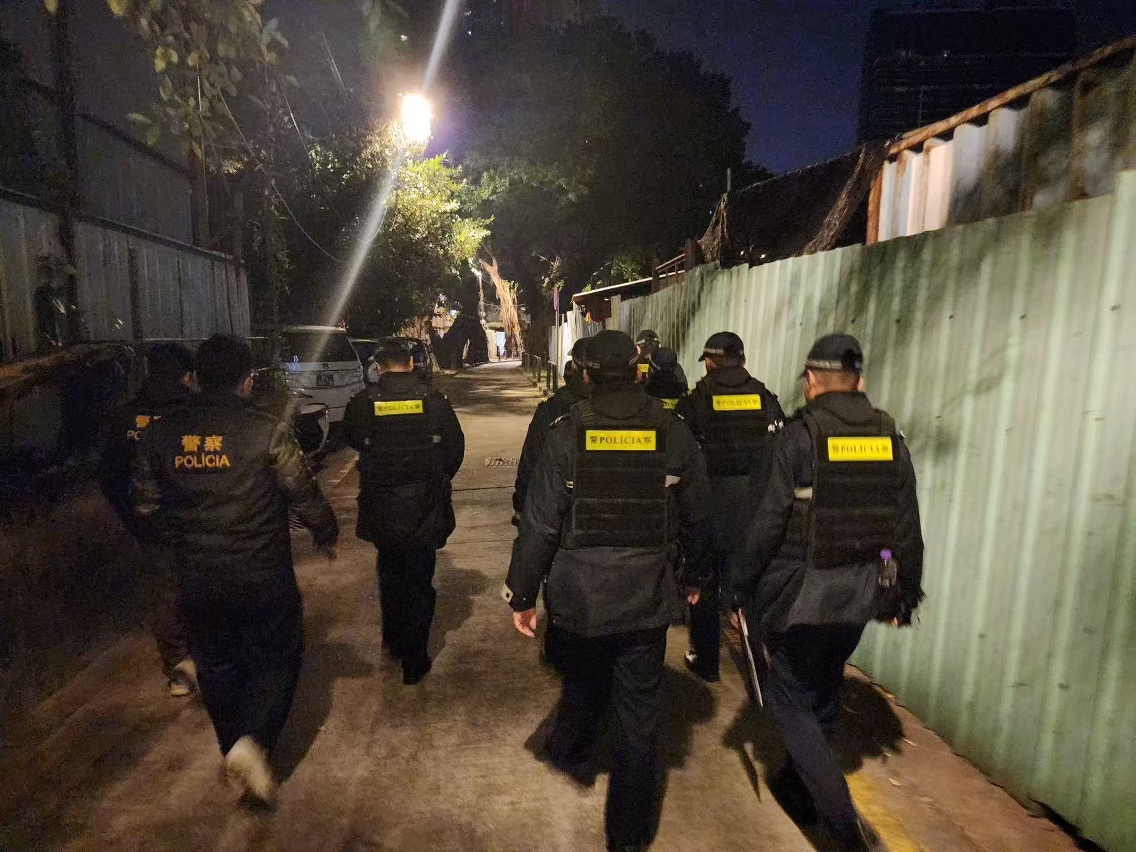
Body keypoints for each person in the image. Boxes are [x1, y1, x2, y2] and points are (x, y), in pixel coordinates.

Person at [504, 329, 712, 852]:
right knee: (638, 721)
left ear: (586, 374)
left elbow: (540, 524)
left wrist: (522, 595)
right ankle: (628, 837)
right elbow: (699, 516)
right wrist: (694, 576)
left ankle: (571, 749)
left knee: (584, 679)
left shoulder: (566, 433)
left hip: (580, 599)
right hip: (646, 597)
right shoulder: (672, 431)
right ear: (638, 372)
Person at [731, 334, 924, 852]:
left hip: (802, 597)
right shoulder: (889, 438)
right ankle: (797, 787)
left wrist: (737, 590)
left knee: (790, 698)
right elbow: (907, 526)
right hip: (862, 596)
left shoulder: (797, 439)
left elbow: (765, 526)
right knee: (823, 687)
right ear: (859, 382)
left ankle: (845, 829)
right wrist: (904, 594)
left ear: (812, 381)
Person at [130, 334, 339, 806]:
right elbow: (301, 490)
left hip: (196, 577)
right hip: (262, 573)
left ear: (196, 379)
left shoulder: (160, 435)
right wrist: (325, 531)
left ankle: (234, 749)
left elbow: (144, 508)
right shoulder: (265, 430)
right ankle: (253, 742)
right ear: (247, 381)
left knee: (217, 666)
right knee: (278, 657)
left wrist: (182, 541)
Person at [343, 338, 465, 685]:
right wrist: (438, 477)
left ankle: (394, 642)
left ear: (378, 367)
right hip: (424, 504)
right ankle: (415, 658)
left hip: (382, 504)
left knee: (390, 573)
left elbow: (352, 438)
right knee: (420, 580)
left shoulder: (363, 403)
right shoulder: (434, 401)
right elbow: (455, 448)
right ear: (411, 364)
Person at [675, 331, 785, 682]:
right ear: (743, 361)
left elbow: (679, 453)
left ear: (709, 363)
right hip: (758, 507)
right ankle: (761, 669)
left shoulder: (695, 401)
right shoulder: (765, 398)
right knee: (752, 583)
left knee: (705, 585)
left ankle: (706, 662)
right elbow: (782, 449)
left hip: (710, 505)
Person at [100, 342, 198, 697]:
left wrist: (134, 519)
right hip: (201, 522)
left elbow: (110, 477)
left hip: (150, 524)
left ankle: (179, 668)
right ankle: (213, 660)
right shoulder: (197, 413)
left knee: (165, 594)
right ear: (187, 376)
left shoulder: (124, 418)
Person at [513, 335, 592, 519]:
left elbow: (531, 459)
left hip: (564, 515)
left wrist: (521, 504)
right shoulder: (643, 411)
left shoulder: (553, 408)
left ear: (575, 367)